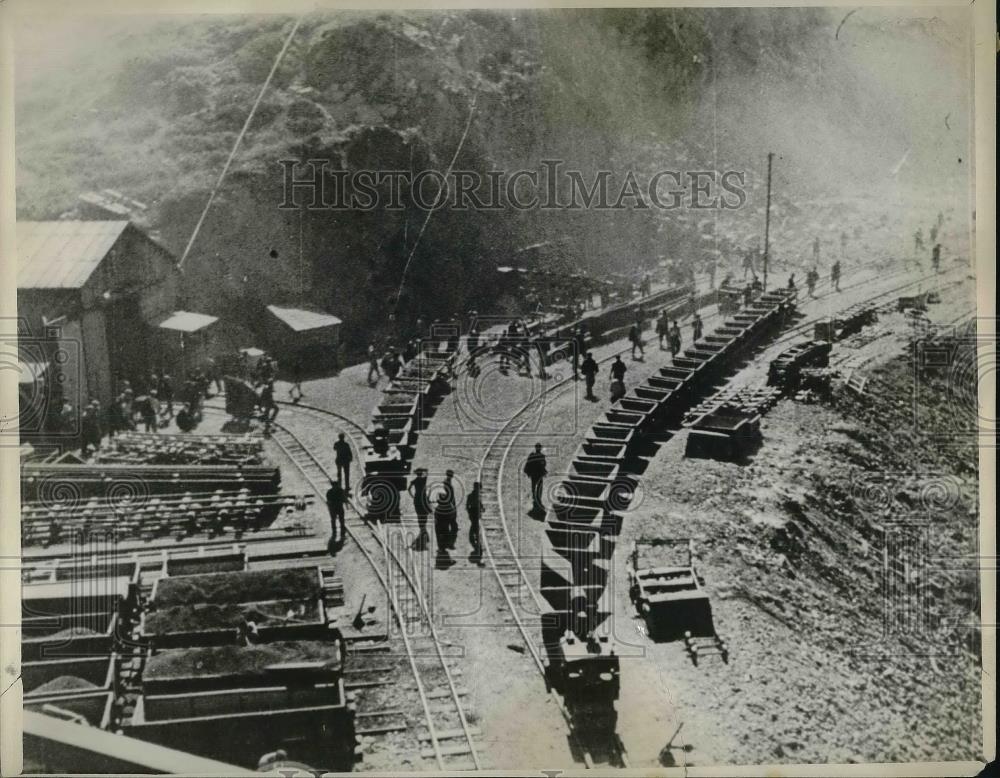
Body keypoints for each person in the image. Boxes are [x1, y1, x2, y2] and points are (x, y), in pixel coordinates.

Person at [409, 468, 430, 548]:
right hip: (423, 499)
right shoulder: (423, 480)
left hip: (417, 500)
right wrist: (425, 470)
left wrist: (412, 496)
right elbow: (427, 473)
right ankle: (423, 532)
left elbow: (409, 489)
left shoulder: (414, 481)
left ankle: (422, 529)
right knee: (425, 514)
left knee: (419, 515)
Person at [523, 444, 547, 514]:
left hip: (534, 474)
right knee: (540, 486)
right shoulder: (542, 456)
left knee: (533, 485)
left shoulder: (532, 455)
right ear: (540, 449)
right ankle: (538, 498)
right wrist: (544, 471)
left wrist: (528, 471)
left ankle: (535, 497)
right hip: (539, 474)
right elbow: (543, 465)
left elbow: (528, 463)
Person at [433, 491, 454, 557]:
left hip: (439, 523)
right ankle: (444, 547)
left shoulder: (438, 507)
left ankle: (441, 548)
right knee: (445, 534)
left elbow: (436, 516)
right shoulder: (449, 505)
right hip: (446, 523)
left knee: (439, 535)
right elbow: (452, 514)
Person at [466, 481, 483, 556]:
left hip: (473, 512)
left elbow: (478, 503)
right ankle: (474, 537)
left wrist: (482, 507)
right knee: (475, 525)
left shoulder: (472, 495)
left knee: (474, 524)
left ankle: (474, 537)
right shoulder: (473, 495)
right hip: (474, 511)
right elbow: (468, 505)